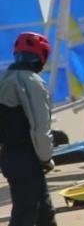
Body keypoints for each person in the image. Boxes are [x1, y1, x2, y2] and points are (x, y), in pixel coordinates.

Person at [0, 32, 56, 226]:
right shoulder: (32, 82)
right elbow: (40, 127)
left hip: (9, 155)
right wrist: (46, 157)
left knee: (44, 211)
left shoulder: (4, 79)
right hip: (27, 156)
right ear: (42, 56)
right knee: (26, 212)